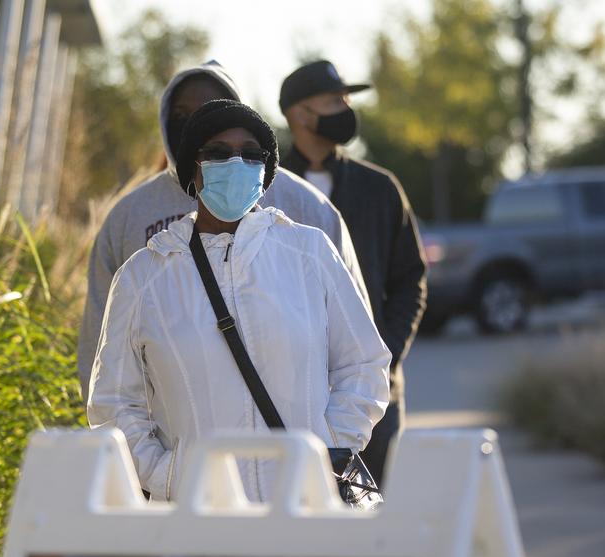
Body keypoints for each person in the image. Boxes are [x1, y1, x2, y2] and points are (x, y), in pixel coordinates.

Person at [87, 100, 390, 502]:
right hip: (198, 520)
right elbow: (113, 404)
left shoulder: (309, 253)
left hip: (305, 505)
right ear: (193, 169)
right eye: (218, 153)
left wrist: (326, 447)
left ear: (266, 171)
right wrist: (169, 476)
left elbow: (364, 364)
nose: (237, 163)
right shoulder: (144, 276)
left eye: (251, 154)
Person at [78, 61, 369, 393]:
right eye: (181, 114)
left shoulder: (308, 208)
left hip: (293, 434)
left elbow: (357, 347)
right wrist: (141, 443)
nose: (196, 124)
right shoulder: (130, 216)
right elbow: (101, 355)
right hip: (178, 435)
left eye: (210, 111)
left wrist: (331, 437)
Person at [279, 60, 427, 487]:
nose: (346, 108)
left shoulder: (380, 188)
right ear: (300, 114)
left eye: (346, 99)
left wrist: (383, 359)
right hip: (292, 398)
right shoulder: (268, 189)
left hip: (376, 400)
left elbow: (410, 282)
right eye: (333, 101)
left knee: (375, 516)